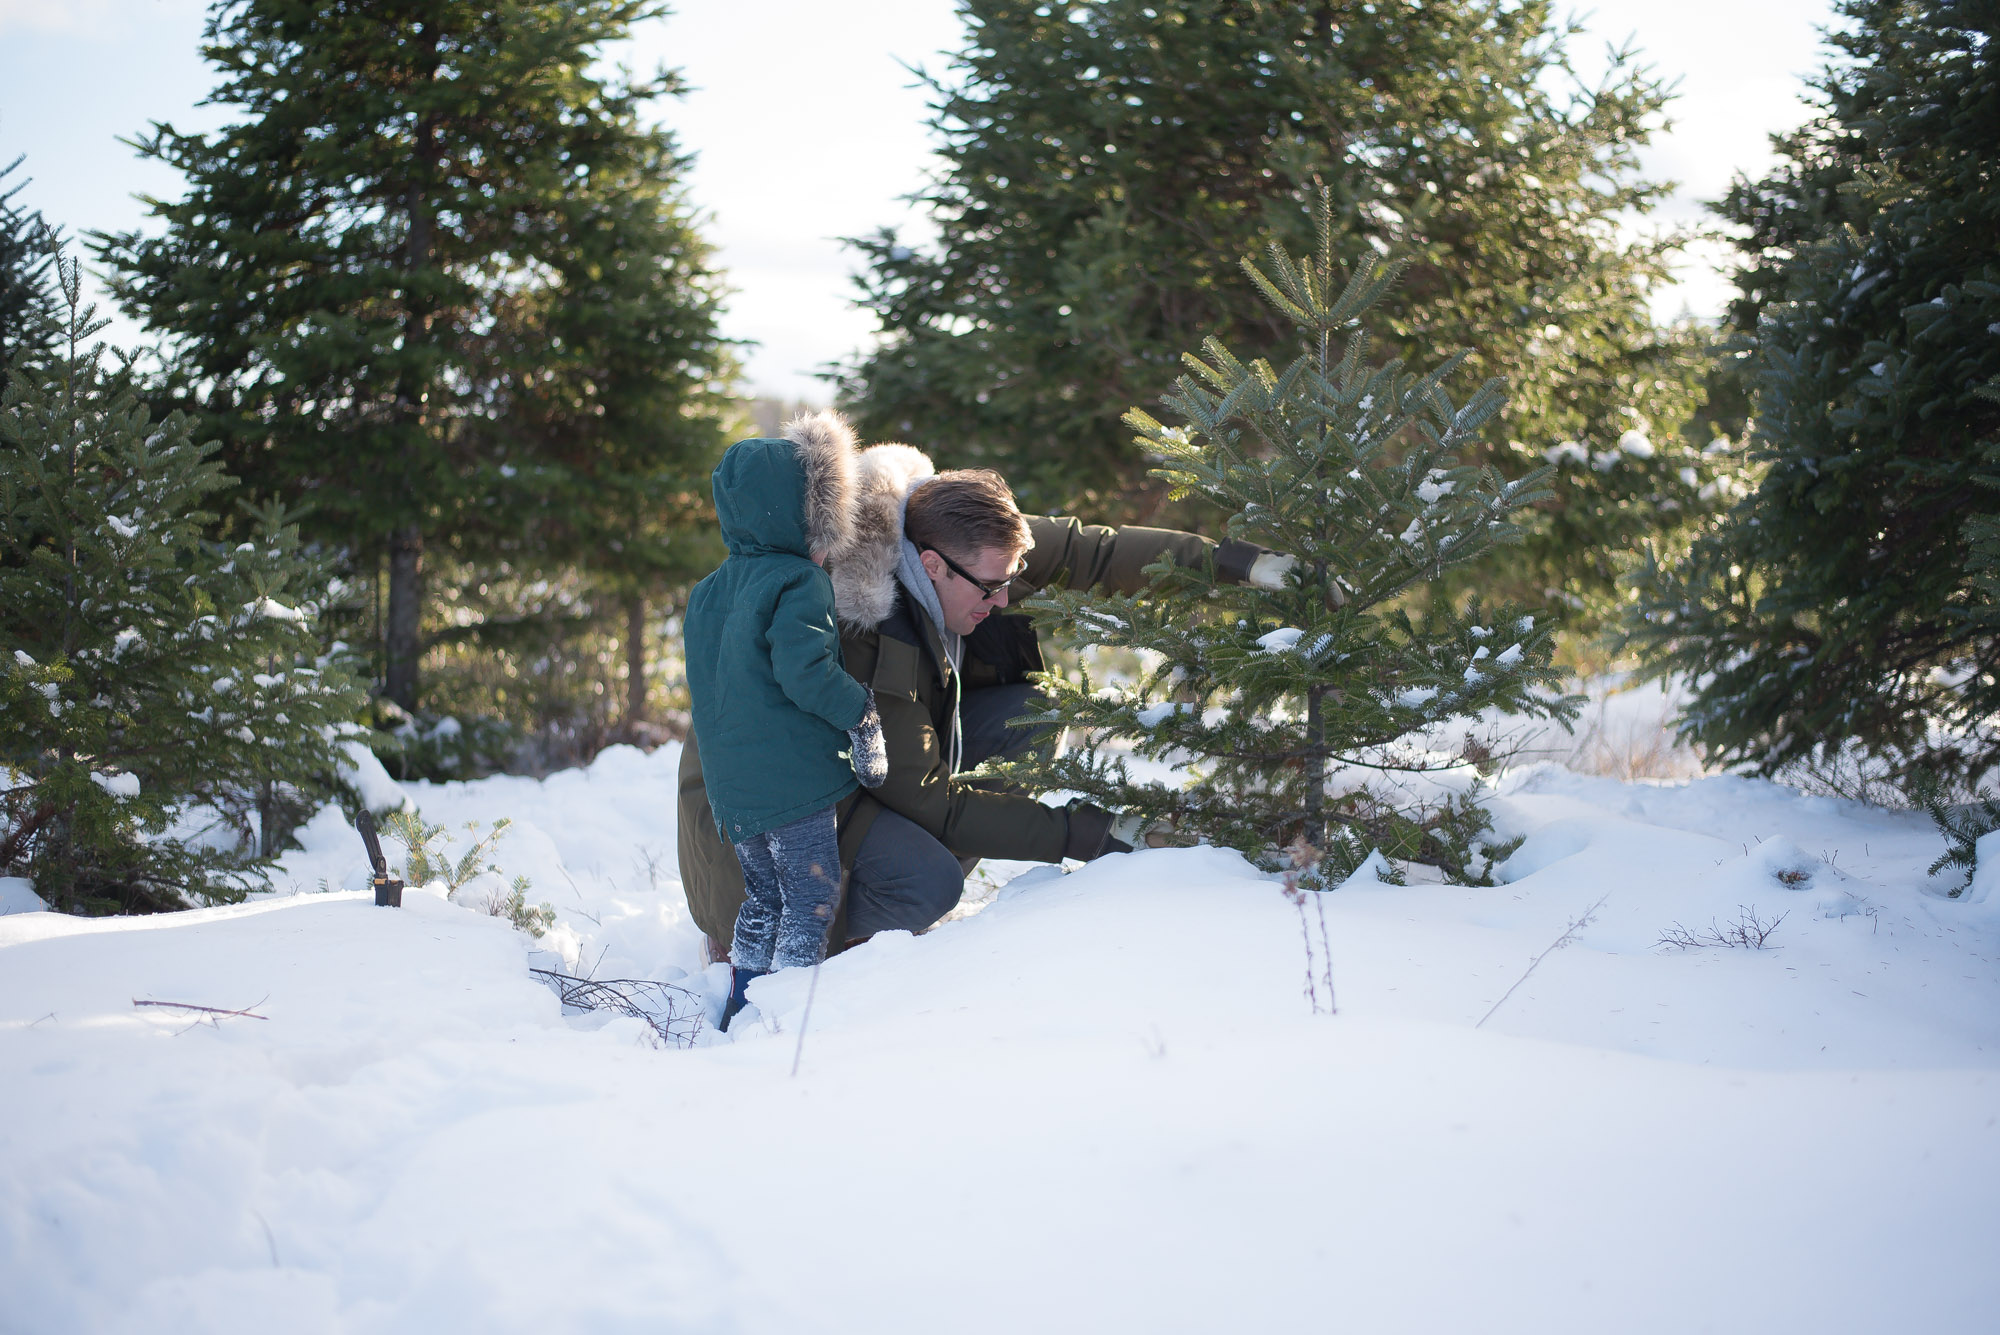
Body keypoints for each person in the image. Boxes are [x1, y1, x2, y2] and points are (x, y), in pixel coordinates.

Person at [677, 414, 1294, 958]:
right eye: (991, 589)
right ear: (932, 567)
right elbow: (929, 800)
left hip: (858, 777)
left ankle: (899, 883)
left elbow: (1092, 553)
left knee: (1031, 713)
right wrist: (1093, 833)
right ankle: (819, 940)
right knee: (927, 882)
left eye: (1013, 580)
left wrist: (1240, 564)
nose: (1005, 600)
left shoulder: (959, 533)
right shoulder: (862, 624)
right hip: (766, 828)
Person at [682, 411, 890, 1024]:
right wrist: (862, 714)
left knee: (764, 897)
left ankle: (742, 1004)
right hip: (792, 781)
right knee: (811, 894)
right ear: (803, 517)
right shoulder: (799, 581)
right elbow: (806, 676)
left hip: (733, 787)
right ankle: (787, 1015)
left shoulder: (710, 589)